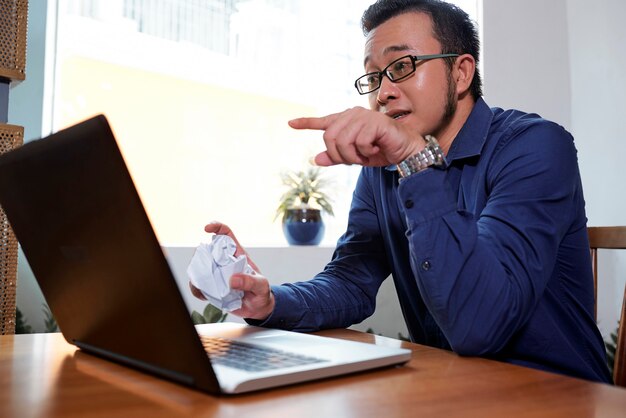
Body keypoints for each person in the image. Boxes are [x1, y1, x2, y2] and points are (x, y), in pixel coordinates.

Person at [194, 0, 612, 383]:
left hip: (557, 394)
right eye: (374, 77)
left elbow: (480, 325)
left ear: (461, 72)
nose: (382, 92)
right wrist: (268, 301)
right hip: (451, 387)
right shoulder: (385, 170)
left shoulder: (536, 147)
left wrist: (414, 158)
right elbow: (351, 282)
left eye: (403, 66)